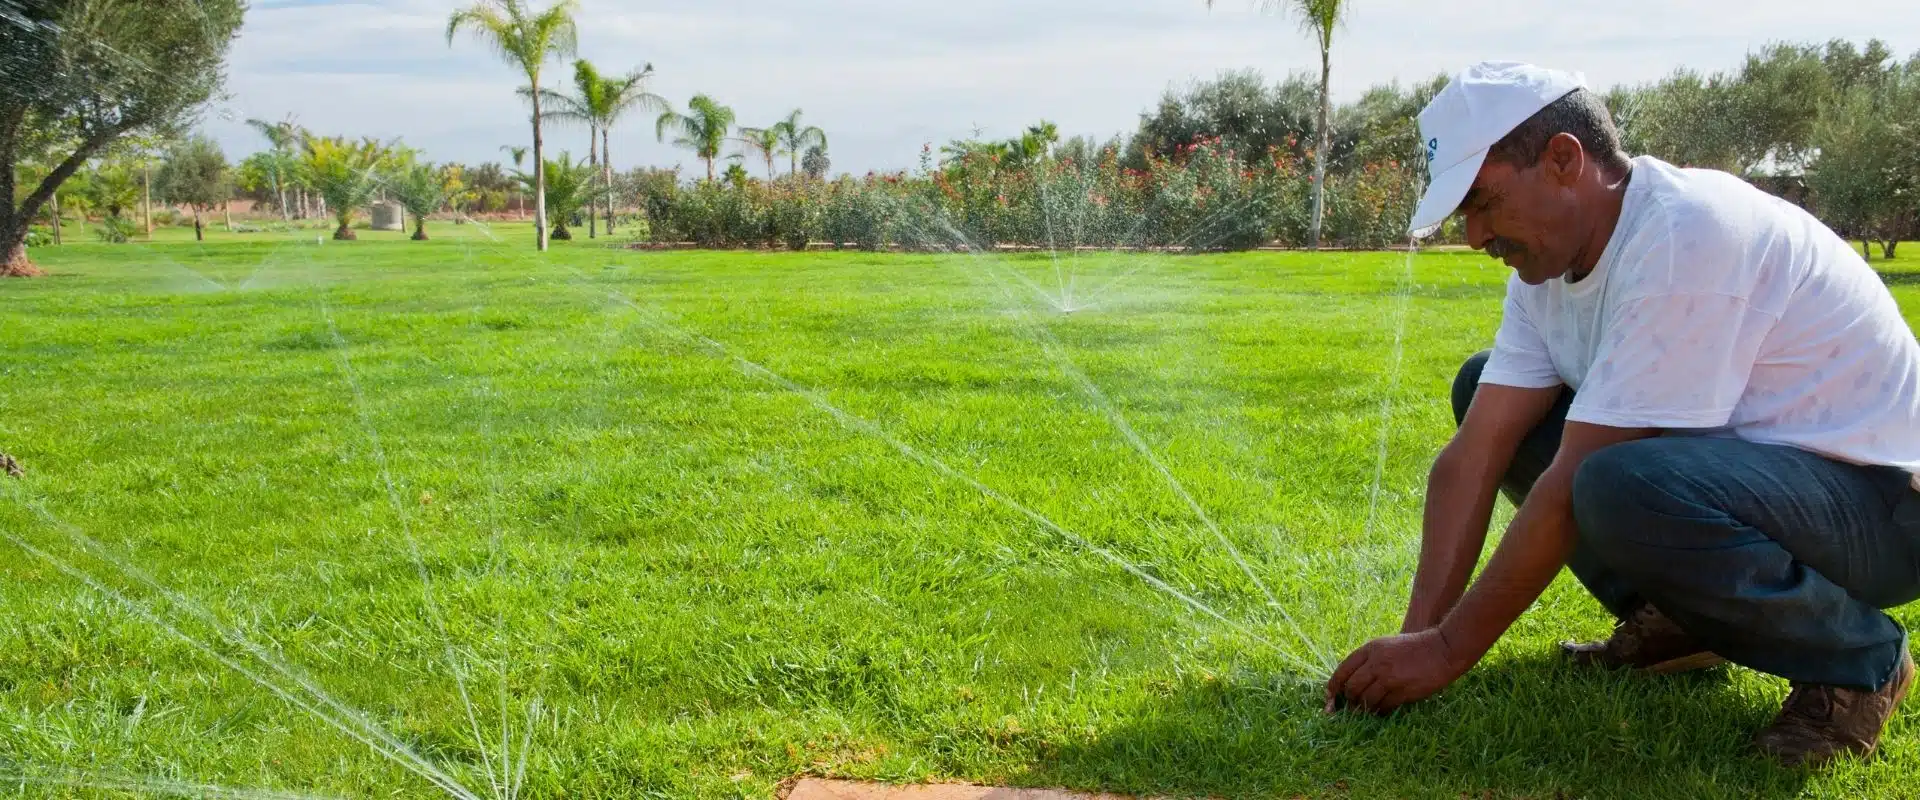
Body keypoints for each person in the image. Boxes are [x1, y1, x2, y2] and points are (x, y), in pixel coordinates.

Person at [1321, 60, 1920, 768]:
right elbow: (1475, 454)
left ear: (1564, 160)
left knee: (1615, 480)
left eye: (1483, 202)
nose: (1475, 236)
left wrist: (1449, 653)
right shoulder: (1548, 266)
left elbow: (1575, 486)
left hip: (1882, 511)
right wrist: (1416, 641)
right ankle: (1676, 626)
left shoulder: (1687, 233)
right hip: (1768, 494)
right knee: (1483, 388)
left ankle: (1859, 665)